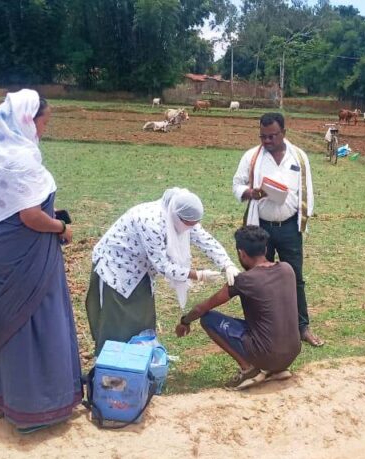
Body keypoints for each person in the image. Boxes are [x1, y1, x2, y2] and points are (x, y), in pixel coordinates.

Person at [0, 89, 82, 434]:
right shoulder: (23, 159)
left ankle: (0, 400)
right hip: (27, 254)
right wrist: (61, 227)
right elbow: (30, 215)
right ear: (28, 120)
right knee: (36, 321)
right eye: (44, 121)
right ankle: (37, 407)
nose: (44, 129)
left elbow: (5, 206)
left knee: (7, 323)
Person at [85, 188, 240, 355]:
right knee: (116, 319)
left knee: (142, 317)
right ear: (177, 216)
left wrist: (227, 264)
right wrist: (198, 275)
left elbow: (204, 239)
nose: (192, 228)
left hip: (140, 269)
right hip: (116, 267)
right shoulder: (150, 222)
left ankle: (139, 358)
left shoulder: (180, 215)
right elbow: (163, 265)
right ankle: (113, 364)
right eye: (189, 224)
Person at [233, 113, 323, 347]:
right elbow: (237, 185)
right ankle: (260, 326)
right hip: (261, 228)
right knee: (259, 279)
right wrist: (250, 193)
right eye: (262, 136)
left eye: (272, 136)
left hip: (290, 227)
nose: (267, 141)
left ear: (284, 132)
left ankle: (302, 326)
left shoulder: (299, 157)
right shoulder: (251, 157)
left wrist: (304, 219)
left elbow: (307, 190)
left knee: (295, 277)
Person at [175, 226, 301, 390]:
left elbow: (202, 309)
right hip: (292, 351)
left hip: (268, 354)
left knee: (208, 319)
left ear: (241, 253)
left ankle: (248, 369)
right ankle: (276, 369)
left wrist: (185, 321)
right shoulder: (287, 269)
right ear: (265, 249)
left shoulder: (245, 280)